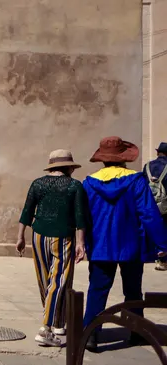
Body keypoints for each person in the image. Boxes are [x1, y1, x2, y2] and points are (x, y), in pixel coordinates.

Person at [81, 137, 167, 351]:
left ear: (102, 159)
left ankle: (90, 335)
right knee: (133, 291)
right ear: (123, 158)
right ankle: (136, 332)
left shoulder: (89, 183)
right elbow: (148, 213)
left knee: (97, 290)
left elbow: (82, 216)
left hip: (100, 245)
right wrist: (162, 243)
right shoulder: (136, 180)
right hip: (131, 245)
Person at [16, 149, 87, 347]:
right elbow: (80, 217)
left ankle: (57, 322)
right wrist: (81, 243)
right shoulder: (74, 186)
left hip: (38, 236)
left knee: (45, 280)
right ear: (69, 168)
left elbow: (27, 211)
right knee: (59, 280)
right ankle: (46, 328)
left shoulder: (38, 184)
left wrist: (20, 237)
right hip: (62, 237)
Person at [143, 141, 167, 271]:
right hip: (165, 206)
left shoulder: (147, 166)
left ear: (158, 153)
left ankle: (153, 256)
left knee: (152, 228)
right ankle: (163, 260)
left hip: (149, 204)